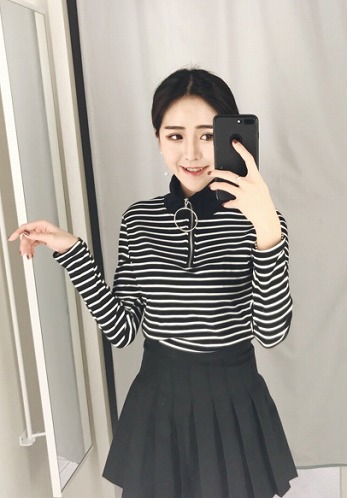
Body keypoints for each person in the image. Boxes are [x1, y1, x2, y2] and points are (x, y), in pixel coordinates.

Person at [9, 68, 297, 498]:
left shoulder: (262, 222)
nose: (192, 153)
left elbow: (271, 334)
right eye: (175, 135)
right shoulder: (139, 220)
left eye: (206, 135)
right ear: (158, 139)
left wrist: (267, 230)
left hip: (233, 401)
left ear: (230, 139)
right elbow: (122, 329)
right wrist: (72, 250)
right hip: (158, 401)